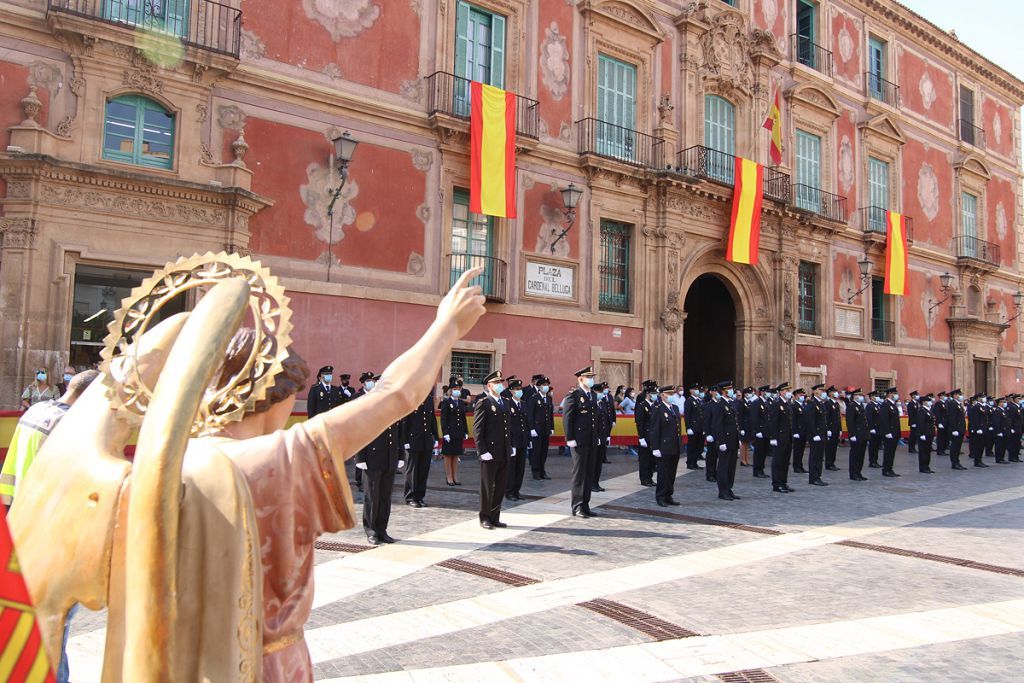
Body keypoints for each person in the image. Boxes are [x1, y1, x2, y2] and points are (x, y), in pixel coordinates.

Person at [1, 369, 98, 683]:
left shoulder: (36, 411)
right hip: (50, 535)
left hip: (18, 522)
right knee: (56, 624)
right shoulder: (72, 427)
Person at [355, 374, 405, 545]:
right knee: (372, 496)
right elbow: (360, 432)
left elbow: (398, 432)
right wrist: (360, 456)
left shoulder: (392, 405)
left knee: (385, 496)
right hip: (372, 457)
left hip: (389, 457)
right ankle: (371, 530)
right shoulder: (368, 404)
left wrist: (400, 455)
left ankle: (382, 529)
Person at [474, 371, 512, 529]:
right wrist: (482, 450)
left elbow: (509, 428)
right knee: (487, 487)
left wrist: (511, 446)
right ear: (489, 386)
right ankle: (485, 517)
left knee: (501, 486)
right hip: (489, 452)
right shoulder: (484, 402)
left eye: (501, 383)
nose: (500, 385)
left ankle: (495, 516)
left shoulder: (506, 402)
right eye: (497, 383)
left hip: (503, 451)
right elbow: (477, 429)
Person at [564, 366, 600, 518]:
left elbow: (594, 418)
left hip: (591, 440)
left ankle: (586, 504)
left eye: (592, 377)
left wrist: (597, 435)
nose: (591, 380)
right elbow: (567, 418)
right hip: (578, 441)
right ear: (580, 379)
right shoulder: (574, 395)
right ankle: (577, 506)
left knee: (589, 473)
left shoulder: (592, 394)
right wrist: (570, 438)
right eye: (588, 378)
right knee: (579, 474)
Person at [402, 390, 439, 508]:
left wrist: (436, 436)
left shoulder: (428, 399)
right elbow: (404, 422)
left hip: (426, 440)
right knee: (412, 470)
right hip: (413, 440)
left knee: (423, 470)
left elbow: (432, 419)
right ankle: (410, 496)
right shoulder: (410, 399)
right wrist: (405, 441)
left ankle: (420, 496)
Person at [648, 384, 683, 506]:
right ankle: (660, 496)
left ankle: (669, 495)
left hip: (675, 446)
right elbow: (654, 429)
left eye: (673, 394)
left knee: (672, 473)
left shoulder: (675, 408)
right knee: (663, 473)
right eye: (669, 394)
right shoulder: (658, 408)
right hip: (663, 447)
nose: (672, 396)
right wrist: (655, 447)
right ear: (662, 395)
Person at [706, 381, 740, 501]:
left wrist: (737, 439)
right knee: (723, 466)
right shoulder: (720, 405)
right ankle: (723, 491)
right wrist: (721, 441)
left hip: (732, 440)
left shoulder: (730, 404)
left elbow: (734, 423)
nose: (732, 391)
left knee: (731, 467)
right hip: (725, 440)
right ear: (724, 391)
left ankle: (729, 489)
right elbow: (717, 425)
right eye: (730, 389)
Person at [440, 376, 469, 485]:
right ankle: (449, 477)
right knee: (448, 455)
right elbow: (443, 419)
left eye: (459, 389)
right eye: (455, 389)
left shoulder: (461, 403)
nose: (457, 391)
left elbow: (463, 418)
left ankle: (455, 476)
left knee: (456, 455)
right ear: (450, 391)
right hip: (449, 432)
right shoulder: (446, 403)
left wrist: (465, 431)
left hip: (458, 432)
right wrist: (445, 433)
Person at [767, 383, 795, 493]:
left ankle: (783, 482)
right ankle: (776, 484)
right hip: (779, 437)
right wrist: (773, 437)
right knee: (778, 461)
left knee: (785, 461)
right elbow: (773, 422)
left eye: (789, 390)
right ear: (781, 392)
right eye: (786, 390)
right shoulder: (776, 404)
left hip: (787, 437)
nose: (788, 392)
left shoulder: (787, 404)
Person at [506, 377, 530, 501]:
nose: (519, 391)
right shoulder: (507, 404)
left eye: (520, 389)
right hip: (513, 441)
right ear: (511, 391)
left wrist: (529, 439)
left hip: (523, 440)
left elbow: (526, 423)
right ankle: (509, 491)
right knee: (511, 468)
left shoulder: (524, 404)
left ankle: (517, 491)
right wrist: (510, 443)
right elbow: (507, 426)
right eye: (516, 389)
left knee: (520, 468)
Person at [526, 375, 554, 480]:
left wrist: (552, 427)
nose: (546, 387)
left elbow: (550, 414)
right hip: (536, 430)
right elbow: (530, 414)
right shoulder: (534, 398)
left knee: (544, 452)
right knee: (536, 452)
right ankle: (536, 471)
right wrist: (532, 429)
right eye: (544, 385)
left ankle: (543, 471)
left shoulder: (549, 399)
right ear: (539, 386)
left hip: (545, 429)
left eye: (547, 385)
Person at [634, 380, 658, 487]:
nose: (655, 395)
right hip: (645, 436)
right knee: (645, 459)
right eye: (653, 393)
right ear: (648, 394)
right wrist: (641, 437)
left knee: (652, 459)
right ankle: (644, 478)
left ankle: (650, 477)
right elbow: (640, 422)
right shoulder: (642, 405)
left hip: (653, 436)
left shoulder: (655, 405)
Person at [592, 381, 616, 492]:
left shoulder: (601, 403)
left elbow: (605, 421)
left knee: (598, 463)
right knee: (593, 461)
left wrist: (607, 435)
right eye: (599, 392)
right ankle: (591, 483)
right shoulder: (591, 404)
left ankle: (596, 482)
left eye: (602, 391)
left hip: (602, 436)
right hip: (594, 438)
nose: (602, 393)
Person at [805, 384, 829, 486]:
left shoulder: (821, 404)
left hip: (821, 434)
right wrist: (814, 434)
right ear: (815, 391)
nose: (823, 392)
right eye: (821, 390)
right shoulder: (812, 403)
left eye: (824, 390)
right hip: (816, 435)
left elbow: (822, 420)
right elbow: (810, 421)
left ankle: (818, 476)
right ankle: (813, 478)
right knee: (815, 457)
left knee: (820, 457)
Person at [846, 387, 869, 481]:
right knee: (855, 455)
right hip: (856, 434)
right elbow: (850, 422)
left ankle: (858, 472)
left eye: (861, 395)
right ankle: (853, 473)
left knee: (861, 455)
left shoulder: (860, 406)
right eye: (858, 395)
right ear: (854, 396)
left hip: (863, 434)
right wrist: (852, 435)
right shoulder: (851, 406)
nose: (860, 397)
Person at [683, 383, 706, 472]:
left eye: (697, 389)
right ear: (691, 391)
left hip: (700, 427)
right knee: (692, 446)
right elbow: (687, 415)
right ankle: (690, 463)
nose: (697, 391)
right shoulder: (689, 400)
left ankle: (695, 462)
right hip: (693, 427)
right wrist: (688, 427)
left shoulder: (699, 400)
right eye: (695, 389)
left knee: (699, 446)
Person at [880, 387, 902, 477]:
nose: (896, 395)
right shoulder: (886, 404)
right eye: (894, 393)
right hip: (889, 433)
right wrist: (887, 432)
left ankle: (890, 468)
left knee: (892, 452)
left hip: (894, 432)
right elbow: (884, 419)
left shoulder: (893, 404)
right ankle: (886, 469)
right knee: (888, 452)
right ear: (889, 394)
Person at [749, 385, 769, 479]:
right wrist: (757, 430)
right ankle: (757, 470)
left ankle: (761, 469)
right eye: (766, 392)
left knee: (764, 452)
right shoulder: (756, 403)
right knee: (759, 452)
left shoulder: (766, 403)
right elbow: (754, 418)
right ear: (761, 392)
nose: (768, 393)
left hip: (766, 431)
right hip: (760, 432)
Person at [946, 389, 968, 470]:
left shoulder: (958, 404)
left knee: (958, 447)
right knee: (955, 447)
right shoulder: (952, 404)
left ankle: (957, 461)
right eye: (959, 394)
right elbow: (952, 418)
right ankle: (954, 463)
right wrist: (954, 429)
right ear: (955, 395)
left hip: (960, 429)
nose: (961, 396)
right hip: (956, 429)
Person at [968, 394, 990, 468]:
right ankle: (977, 461)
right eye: (982, 397)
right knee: (978, 446)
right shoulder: (976, 407)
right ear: (978, 398)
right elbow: (975, 419)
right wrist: (977, 428)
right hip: (979, 430)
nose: (984, 398)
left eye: (984, 397)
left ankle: (980, 460)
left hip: (983, 428)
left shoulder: (983, 406)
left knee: (982, 446)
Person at [917, 394, 937, 473]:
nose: (930, 402)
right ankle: (923, 467)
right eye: (928, 401)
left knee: (928, 451)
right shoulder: (921, 411)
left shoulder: (928, 410)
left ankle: (927, 466)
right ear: (923, 402)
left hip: (929, 433)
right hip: (924, 434)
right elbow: (921, 423)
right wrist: (921, 434)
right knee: (923, 452)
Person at [791, 388, 808, 474]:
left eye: (803, 395)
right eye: (800, 395)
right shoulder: (794, 406)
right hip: (798, 432)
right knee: (797, 450)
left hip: (803, 431)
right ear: (795, 396)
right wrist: (795, 432)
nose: (802, 396)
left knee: (801, 450)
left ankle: (800, 466)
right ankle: (796, 466)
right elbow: (793, 420)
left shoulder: (803, 405)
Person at [824, 386, 841, 471]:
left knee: (834, 447)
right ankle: (828, 464)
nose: (836, 393)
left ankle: (832, 463)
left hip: (836, 428)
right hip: (831, 429)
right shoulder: (828, 403)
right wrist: (827, 429)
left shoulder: (836, 403)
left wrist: (840, 428)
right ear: (830, 393)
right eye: (834, 391)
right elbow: (827, 417)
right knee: (829, 447)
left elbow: (838, 417)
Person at [866, 391, 882, 468]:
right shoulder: (870, 406)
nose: (877, 397)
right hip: (874, 429)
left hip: (879, 428)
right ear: (871, 397)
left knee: (877, 446)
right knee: (873, 446)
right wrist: (871, 428)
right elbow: (869, 418)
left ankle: (875, 461)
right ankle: (872, 462)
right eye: (875, 396)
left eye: (877, 396)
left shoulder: (878, 405)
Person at [1010, 395, 1024, 463]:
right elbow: (1011, 418)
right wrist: (1011, 428)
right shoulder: (1013, 407)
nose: (1020, 400)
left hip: (1019, 428)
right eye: (1018, 399)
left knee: (1018, 443)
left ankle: (1016, 456)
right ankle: (1012, 457)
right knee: (1013, 443)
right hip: (1015, 428)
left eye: (1020, 399)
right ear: (1014, 399)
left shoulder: (1019, 407)